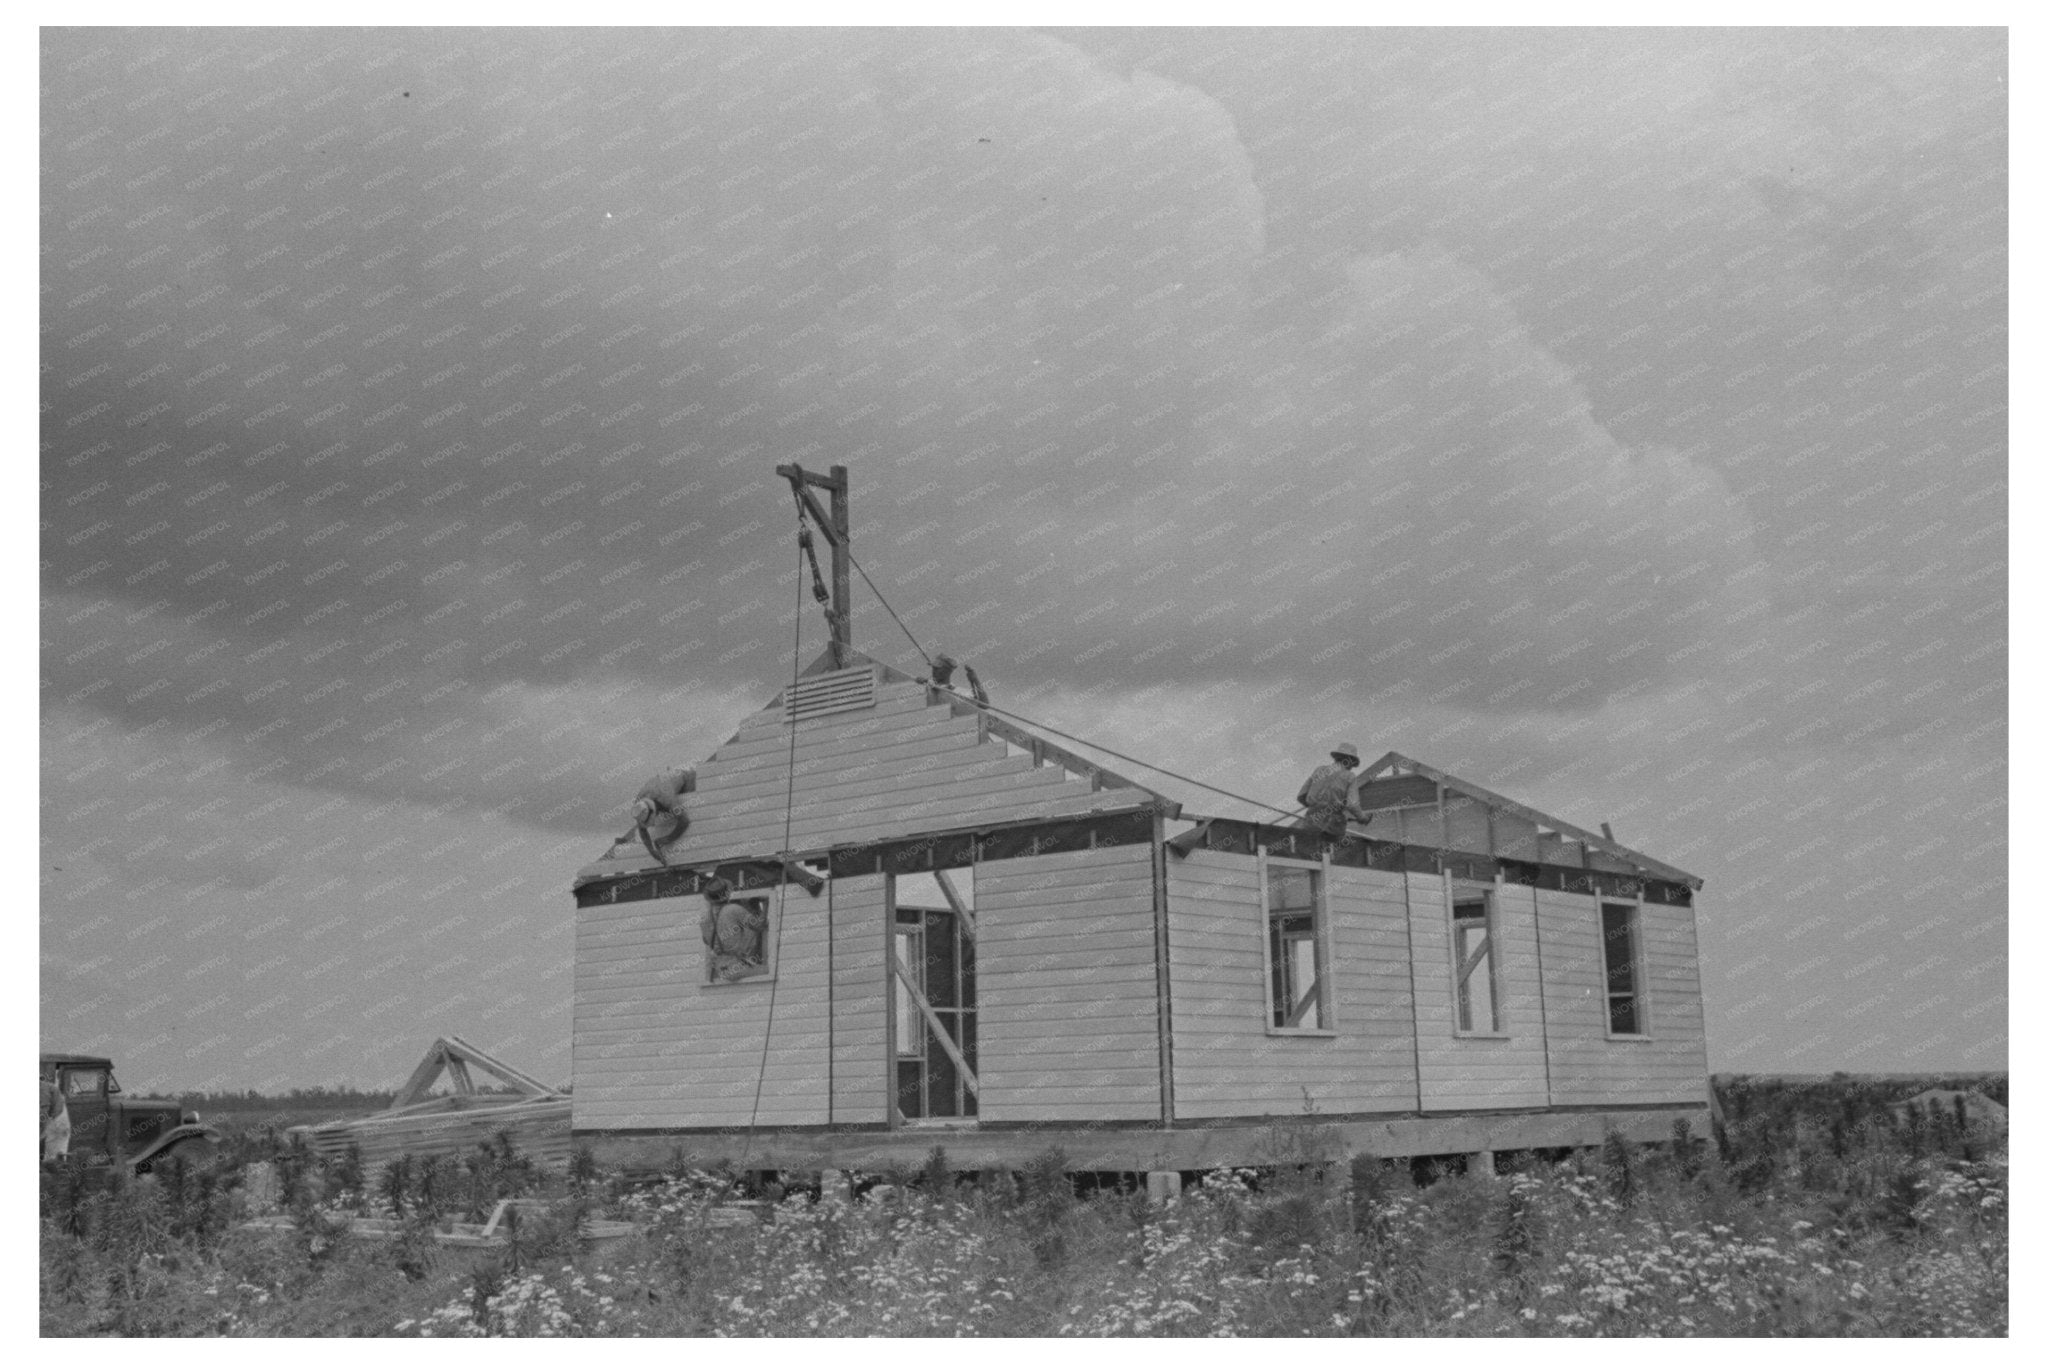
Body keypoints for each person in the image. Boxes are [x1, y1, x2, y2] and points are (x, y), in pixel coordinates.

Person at [612, 767, 696, 864]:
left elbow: (684, 821)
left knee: (690, 805)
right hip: (662, 782)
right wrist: (652, 851)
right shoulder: (639, 805)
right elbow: (642, 830)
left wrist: (666, 839)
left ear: (654, 812)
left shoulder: (667, 798)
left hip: (686, 778)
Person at [699, 876, 771, 983]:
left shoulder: (704, 918)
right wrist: (765, 904)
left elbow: (706, 940)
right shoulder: (733, 909)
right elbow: (760, 925)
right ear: (727, 893)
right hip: (736, 967)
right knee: (770, 971)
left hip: (721, 969)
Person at [1297, 742, 1372, 840]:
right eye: (1353, 763)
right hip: (1332, 825)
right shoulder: (1349, 776)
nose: (1352, 767)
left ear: (1336, 758)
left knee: (1308, 849)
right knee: (1333, 852)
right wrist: (1363, 818)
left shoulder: (1319, 770)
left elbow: (1301, 796)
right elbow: (1352, 804)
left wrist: (1316, 806)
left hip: (1311, 821)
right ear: (1350, 761)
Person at [40, 1076, 70, 1164]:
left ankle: (56, 1174)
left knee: (53, 1157)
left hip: (57, 1121)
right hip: (53, 1119)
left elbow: (43, 1112)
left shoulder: (42, 1088)